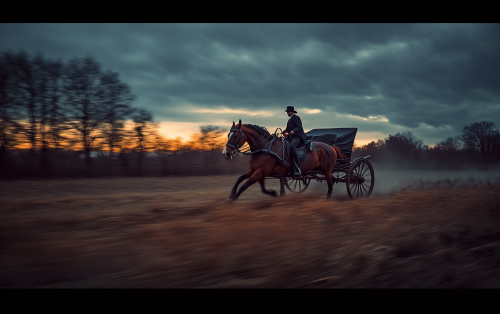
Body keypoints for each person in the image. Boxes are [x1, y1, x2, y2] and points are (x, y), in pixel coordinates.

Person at [283, 106, 307, 176]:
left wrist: (294, 131)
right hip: (291, 138)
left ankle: (298, 165)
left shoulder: (297, 118)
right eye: (287, 112)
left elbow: (299, 127)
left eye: (288, 112)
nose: (287, 113)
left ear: (292, 112)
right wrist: (284, 132)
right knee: (284, 145)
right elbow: (287, 129)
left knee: (292, 146)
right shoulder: (289, 120)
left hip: (298, 137)